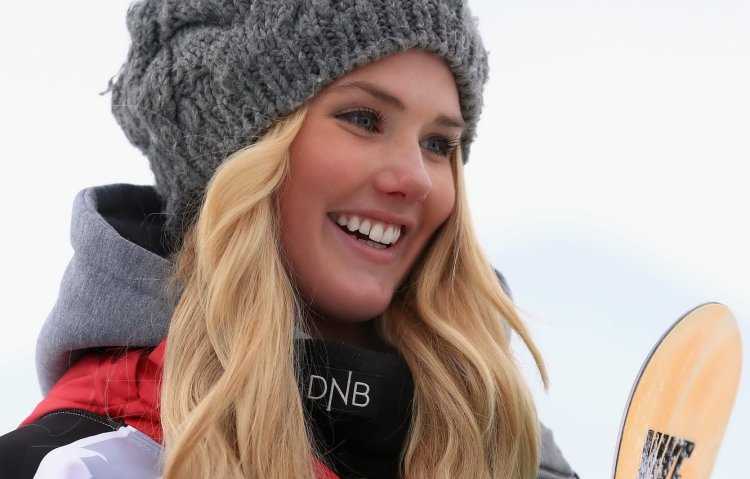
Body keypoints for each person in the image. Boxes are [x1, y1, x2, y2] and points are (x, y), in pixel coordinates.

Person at [0, 1, 579, 478]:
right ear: (234, 154)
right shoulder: (86, 463)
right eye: (363, 119)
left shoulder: (511, 451)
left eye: (438, 144)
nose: (416, 179)